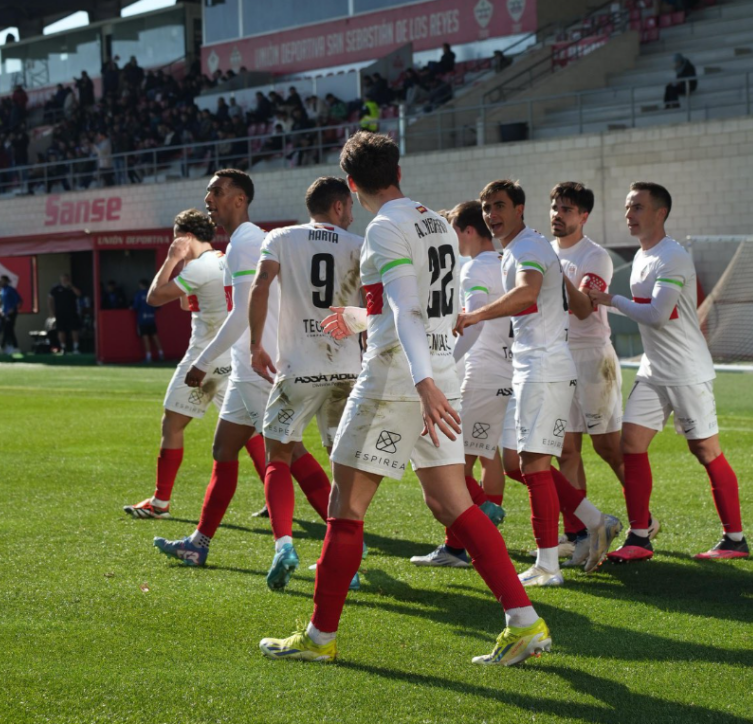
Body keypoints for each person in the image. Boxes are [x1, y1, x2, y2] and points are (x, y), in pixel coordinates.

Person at [259, 132, 552, 666]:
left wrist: (419, 379)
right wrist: (357, 321)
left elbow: (407, 309)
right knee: (451, 504)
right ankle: (524, 621)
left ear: (351, 183)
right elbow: (409, 309)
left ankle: (320, 638)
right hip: (438, 373)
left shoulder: (385, 227)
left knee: (345, 509)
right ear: (398, 168)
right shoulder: (435, 221)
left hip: (400, 380)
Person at [455, 180, 618, 585]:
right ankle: (595, 521)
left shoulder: (526, 248)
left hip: (543, 368)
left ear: (519, 209)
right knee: (518, 463)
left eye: (500, 206)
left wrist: (475, 316)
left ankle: (548, 564)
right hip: (531, 368)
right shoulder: (521, 247)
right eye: (487, 207)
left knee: (535, 465)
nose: (492, 214)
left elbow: (527, 294)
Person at [588, 182, 749, 561]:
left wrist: (611, 300)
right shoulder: (644, 255)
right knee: (631, 446)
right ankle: (639, 536)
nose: (630, 214)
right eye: (628, 207)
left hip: (687, 371)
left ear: (660, 213)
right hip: (654, 369)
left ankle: (735, 539)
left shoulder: (672, 257)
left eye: (638, 207)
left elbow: (658, 315)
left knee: (706, 450)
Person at [154, 169, 292, 564]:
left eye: (216, 191)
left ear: (240, 199)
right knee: (228, 448)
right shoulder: (236, 249)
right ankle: (199, 543)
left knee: (288, 455)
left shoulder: (239, 246)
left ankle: (341, 550)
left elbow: (239, 313)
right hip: (240, 364)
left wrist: (203, 361)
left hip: (250, 364)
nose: (209, 199)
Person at [247, 177, 364, 591]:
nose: (351, 213)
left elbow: (261, 285)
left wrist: (255, 344)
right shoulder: (357, 243)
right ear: (337, 206)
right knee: (344, 466)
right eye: (348, 206)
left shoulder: (280, 237)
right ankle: (345, 557)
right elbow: (372, 306)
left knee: (278, 452)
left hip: (298, 367)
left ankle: (283, 544)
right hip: (348, 368)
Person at [124, 209, 260, 519]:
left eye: (176, 240)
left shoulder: (200, 268)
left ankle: (160, 503)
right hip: (233, 357)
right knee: (249, 429)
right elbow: (188, 303)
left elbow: (155, 297)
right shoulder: (224, 259)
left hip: (205, 358)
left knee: (172, 423)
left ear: (184, 238)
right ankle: (273, 496)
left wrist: (172, 259)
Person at [410, 200, 510, 568]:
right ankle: (477, 532)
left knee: (457, 464)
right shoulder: (506, 262)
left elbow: (475, 322)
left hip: (483, 372)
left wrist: (443, 364)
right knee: (489, 454)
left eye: (454, 229)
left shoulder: (472, 269)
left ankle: (462, 543)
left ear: (468, 230)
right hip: (510, 368)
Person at [548, 182, 627, 566]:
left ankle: (643, 522)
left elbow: (582, 308)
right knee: (566, 450)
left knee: (609, 448)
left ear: (584, 216)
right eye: (554, 207)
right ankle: (579, 533)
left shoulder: (595, 257)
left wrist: (555, 273)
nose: (557, 215)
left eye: (566, 209)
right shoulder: (544, 252)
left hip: (594, 358)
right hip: (558, 357)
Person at [132, 278, 164, 363]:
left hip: (142, 319)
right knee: (155, 336)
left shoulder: (139, 295)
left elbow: (135, 307)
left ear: (141, 285)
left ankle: (149, 356)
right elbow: (158, 306)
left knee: (145, 338)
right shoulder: (152, 294)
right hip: (151, 318)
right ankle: (161, 354)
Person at [48, 274, 82, 354]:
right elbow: (50, 300)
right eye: (63, 279)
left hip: (72, 312)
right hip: (60, 313)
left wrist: (71, 286)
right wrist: (51, 312)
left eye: (66, 279)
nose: (64, 280)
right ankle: (63, 347)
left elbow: (79, 294)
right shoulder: (55, 289)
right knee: (61, 330)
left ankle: (76, 348)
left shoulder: (72, 288)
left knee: (74, 329)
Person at [0, 275, 22, 354]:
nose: (1, 282)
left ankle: (2, 346)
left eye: (2, 281)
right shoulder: (1, 291)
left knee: (7, 329)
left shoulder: (11, 290)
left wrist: (13, 309)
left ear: (6, 281)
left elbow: (19, 301)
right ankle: (15, 347)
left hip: (11, 314)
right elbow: (0, 303)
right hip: (4, 314)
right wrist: (0, 310)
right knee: (9, 331)